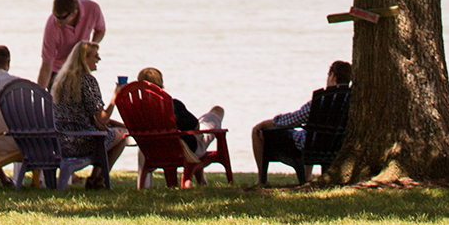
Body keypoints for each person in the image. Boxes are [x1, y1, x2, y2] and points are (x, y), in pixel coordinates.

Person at [250, 59, 351, 188]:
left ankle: (261, 180)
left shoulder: (321, 100)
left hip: (309, 146)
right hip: (333, 145)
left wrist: (267, 123)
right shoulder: (350, 100)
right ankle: (308, 177)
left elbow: (296, 119)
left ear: (332, 76)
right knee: (309, 133)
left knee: (259, 131)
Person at [50, 38, 127, 186]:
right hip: (84, 142)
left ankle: (96, 179)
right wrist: (115, 98)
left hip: (62, 142)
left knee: (113, 131)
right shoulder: (87, 81)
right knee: (122, 135)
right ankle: (97, 179)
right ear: (84, 59)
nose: (99, 59)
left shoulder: (60, 81)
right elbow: (102, 119)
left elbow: (88, 117)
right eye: (95, 55)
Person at [134, 65, 225, 158]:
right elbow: (195, 127)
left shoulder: (135, 109)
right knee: (217, 111)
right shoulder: (173, 105)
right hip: (184, 151)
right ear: (160, 83)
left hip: (152, 152)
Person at [38, 0, 106, 88]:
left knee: (86, 100)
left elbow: (100, 30)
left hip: (80, 69)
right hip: (58, 71)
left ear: (74, 13)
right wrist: (38, 95)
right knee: (56, 102)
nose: (57, 21)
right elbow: (46, 65)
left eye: (61, 18)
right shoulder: (52, 26)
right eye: (55, 16)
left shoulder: (92, 9)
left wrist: (90, 47)